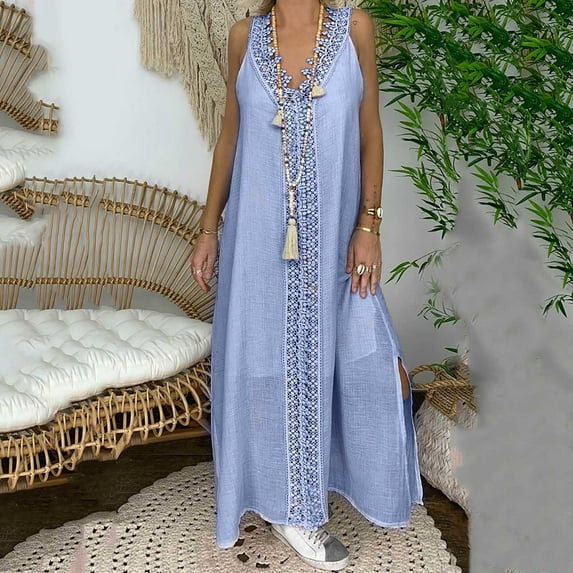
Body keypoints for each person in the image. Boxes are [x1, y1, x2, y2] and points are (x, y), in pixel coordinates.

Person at [189, 0, 424, 570]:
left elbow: (371, 132)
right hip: (256, 240)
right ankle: (291, 507)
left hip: (335, 240)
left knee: (361, 359)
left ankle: (322, 489)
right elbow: (229, 139)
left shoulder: (354, 28)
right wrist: (208, 229)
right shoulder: (245, 37)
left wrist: (369, 224)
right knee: (263, 363)